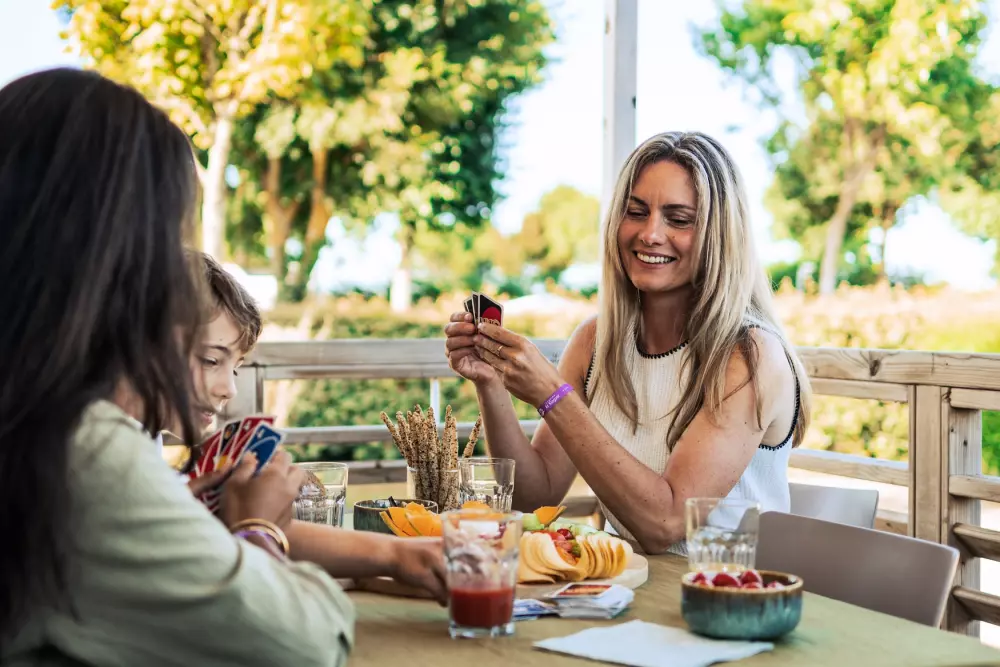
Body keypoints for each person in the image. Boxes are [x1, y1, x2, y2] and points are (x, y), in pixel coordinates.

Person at [0, 68, 350, 665]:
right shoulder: (74, 445)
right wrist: (257, 530)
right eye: (167, 232)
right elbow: (304, 645)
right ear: (111, 248)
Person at [444, 131, 812, 555]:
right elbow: (534, 496)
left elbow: (666, 523)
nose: (650, 234)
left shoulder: (749, 356)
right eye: (636, 212)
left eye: (679, 219)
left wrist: (552, 395)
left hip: (729, 601)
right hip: (632, 594)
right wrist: (491, 382)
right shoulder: (595, 342)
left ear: (720, 235)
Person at [187, 251, 446, 599]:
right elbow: (300, 635)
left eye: (235, 368)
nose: (229, 390)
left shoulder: (158, 458)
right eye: (210, 360)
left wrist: (397, 556)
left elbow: (253, 534)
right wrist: (255, 528)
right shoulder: (123, 470)